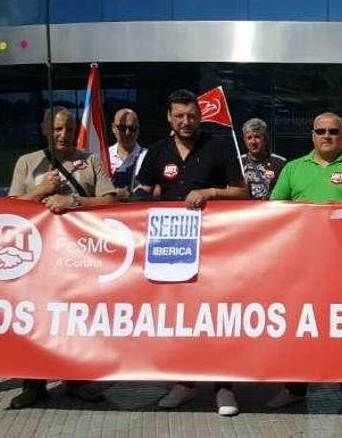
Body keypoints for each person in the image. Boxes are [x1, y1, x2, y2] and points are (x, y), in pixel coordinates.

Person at [136, 89, 248, 416]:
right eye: (179, 116)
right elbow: (141, 194)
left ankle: (224, 387)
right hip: (168, 250)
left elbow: (243, 192)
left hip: (214, 250)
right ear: (169, 118)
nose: (186, 121)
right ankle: (183, 384)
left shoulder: (219, 148)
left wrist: (211, 191)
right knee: (178, 321)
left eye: (192, 115)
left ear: (200, 116)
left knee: (216, 319)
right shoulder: (156, 151)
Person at [267, 112, 342, 415]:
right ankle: (294, 388)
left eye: (333, 131)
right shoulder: (293, 169)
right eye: (321, 131)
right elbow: (272, 210)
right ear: (312, 134)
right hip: (301, 265)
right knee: (302, 328)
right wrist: (298, 208)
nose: (327, 136)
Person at [7, 107, 117, 409]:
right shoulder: (27, 163)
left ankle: (77, 381)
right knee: (36, 320)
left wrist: (74, 201)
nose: (63, 134)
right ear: (45, 130)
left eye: (68, 129)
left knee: (77, 321)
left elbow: (110, 202)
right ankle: (34, 383)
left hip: (80, 258)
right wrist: (42, 190)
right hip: (37, 260)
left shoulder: (90, 160)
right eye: (56, 129)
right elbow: (11, 209)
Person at [240, 118, 286, 200]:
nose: (253, 142)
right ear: (245, 140)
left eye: (257, 137)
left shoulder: (280, 163)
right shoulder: (238, 162)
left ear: (264, 139)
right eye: (249, 138)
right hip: (245, 210)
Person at [108, 108, 147, 199]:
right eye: (122, 128)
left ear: (138, 130)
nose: (127, 133)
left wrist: (129, 196)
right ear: (114, 128)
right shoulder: (103, 156)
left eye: (132, 128)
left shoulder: (148, 156)